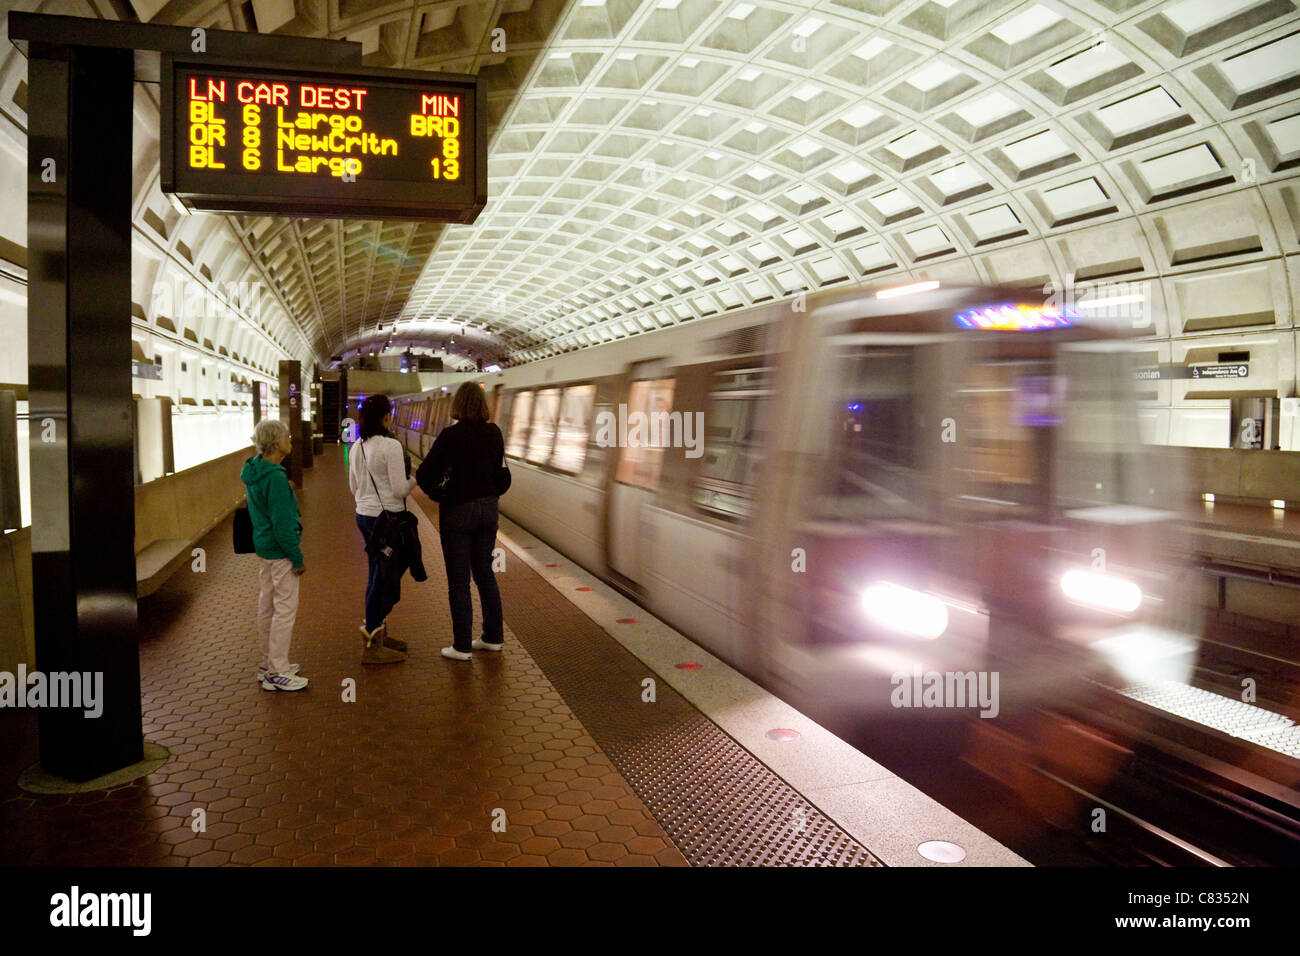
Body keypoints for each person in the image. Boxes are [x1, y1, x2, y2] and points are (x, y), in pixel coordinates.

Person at [416, 382, 506, 661]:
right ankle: (493, 637)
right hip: (488, 509)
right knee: (485, 573)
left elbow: (425, 474)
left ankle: (462, 646)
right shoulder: (494, 433)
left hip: (458, 511)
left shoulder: (450, 436)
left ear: (457, 405)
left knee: (459, 580)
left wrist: (436, 491)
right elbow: (499, 472)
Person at [349, 394, 418, 664]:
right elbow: (400, 489)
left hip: (364, 518)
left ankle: (378, 633)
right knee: (384, 579)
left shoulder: (357, 447)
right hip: (387, 521)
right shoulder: (390, 446)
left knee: (377, 573)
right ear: (386, 417)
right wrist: (414, 479)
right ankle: (371, 642)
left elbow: (353, 487)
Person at [241, 419, 309, 692]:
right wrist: (298, 558)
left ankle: (268, 663)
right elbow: (283, 525)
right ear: (276, 443)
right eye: (286, 437)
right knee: (284, 610)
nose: (290, 440)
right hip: (280, 552)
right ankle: (278, 671)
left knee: (266, 606)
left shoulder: (255, 470)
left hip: (263, 547)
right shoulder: (276, 478)